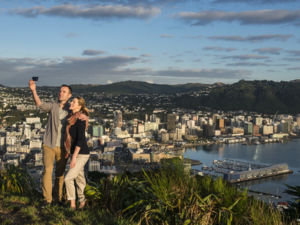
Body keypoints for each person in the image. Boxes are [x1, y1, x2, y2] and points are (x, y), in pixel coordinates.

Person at [29, 80, 72, 205]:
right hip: (49, 143)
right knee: (47, 170)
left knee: (60, 174)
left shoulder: (71, 109)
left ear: (69, 96)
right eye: (60, 91)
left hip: (64, 147)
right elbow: (39, 104)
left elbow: (83, 115)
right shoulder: (53, 106)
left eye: (64, 92)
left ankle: (57, 198)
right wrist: (33, 90)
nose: (61, 93)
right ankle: (47, 199)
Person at [64, 97, 90, 209]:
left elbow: (80, 140)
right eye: (72, 101)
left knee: (68, 178)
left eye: (74, 102)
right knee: (79, 178)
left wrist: (74, 158)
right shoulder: (71, 117)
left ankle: (73, 205)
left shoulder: (81, 120)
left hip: (81, 153)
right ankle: (83, 202)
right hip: (74, 152)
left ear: (79, 106)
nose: (71, 103)